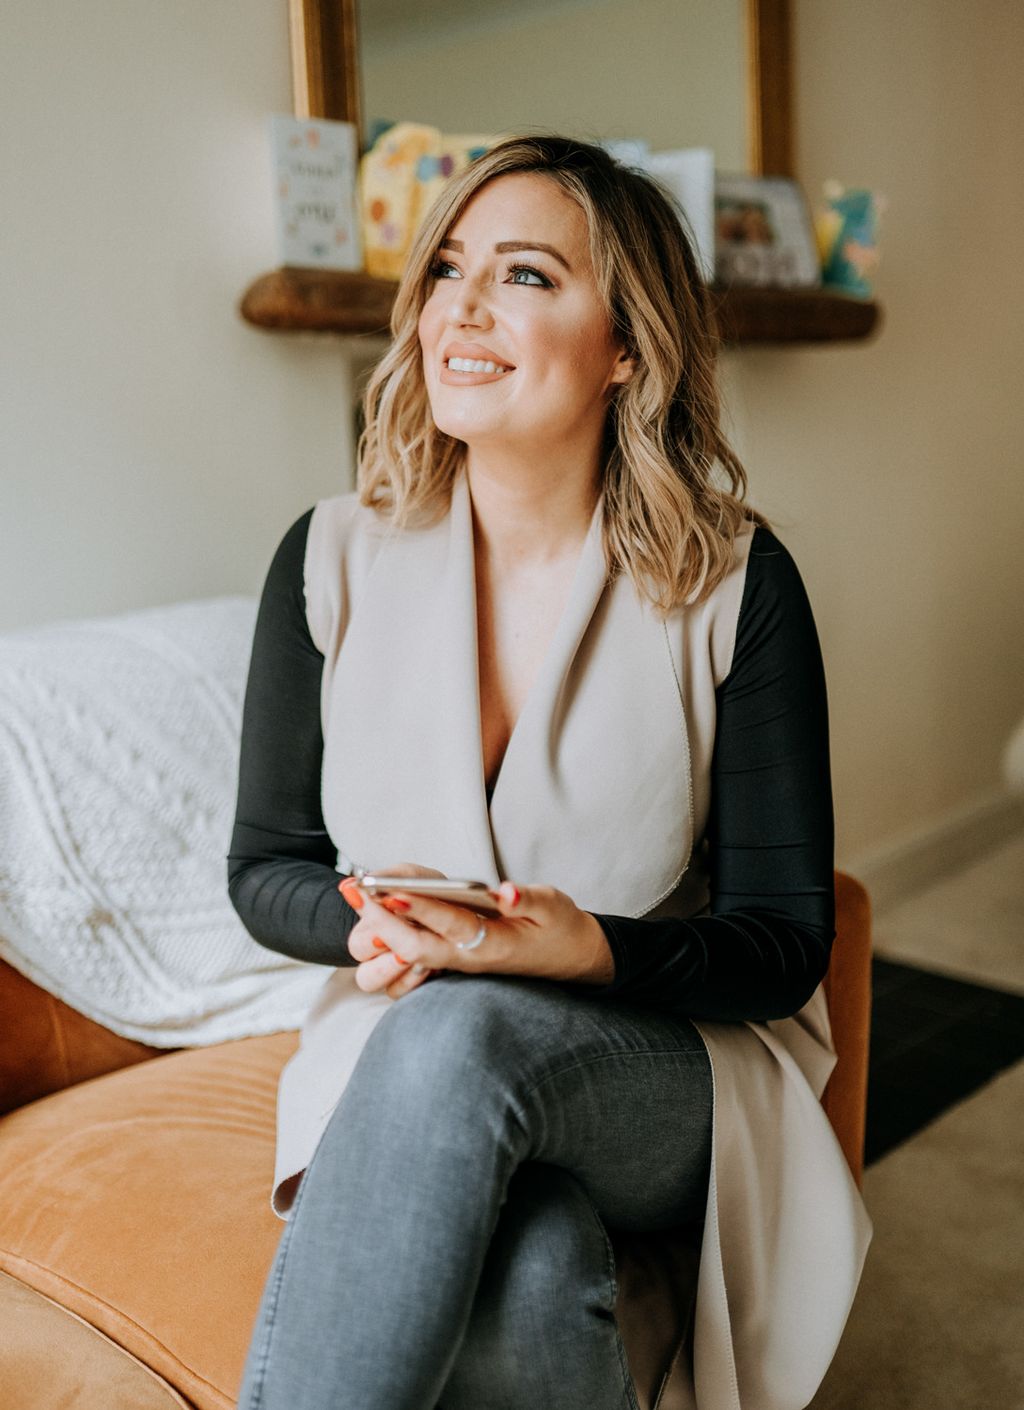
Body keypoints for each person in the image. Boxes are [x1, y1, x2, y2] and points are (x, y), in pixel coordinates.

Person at [227, 134, 871, 1410]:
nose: (460, 305)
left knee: (462, 1034)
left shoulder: (738, 586)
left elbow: (785, 941)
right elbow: (266, 871)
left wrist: (582, 952)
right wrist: (379, 921)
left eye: (523, 275)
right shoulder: (329, 557)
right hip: (401, 1039)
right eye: (447, 268)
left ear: (626, 346)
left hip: (671, 1068)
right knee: (528, 1276)